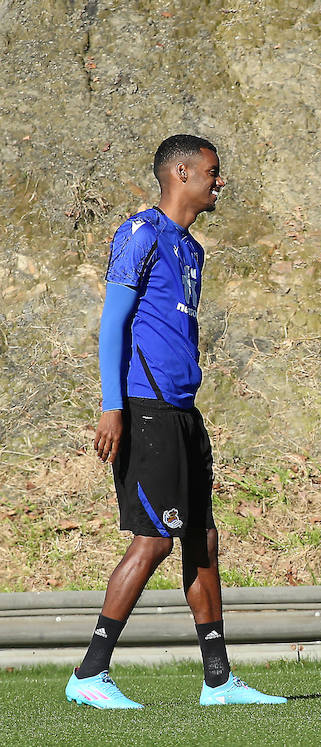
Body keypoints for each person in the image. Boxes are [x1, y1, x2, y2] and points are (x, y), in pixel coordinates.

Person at [68, 135, 284, 709]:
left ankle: (218, 680)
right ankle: (90, 672)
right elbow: (113, 325)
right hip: (146, 409)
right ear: (182, 173)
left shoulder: (191, 249)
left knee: (201, 538)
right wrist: (113, 406)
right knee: (154, 539)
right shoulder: (140, 235)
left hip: (184, 412)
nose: (220, 181)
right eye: (213, 171)